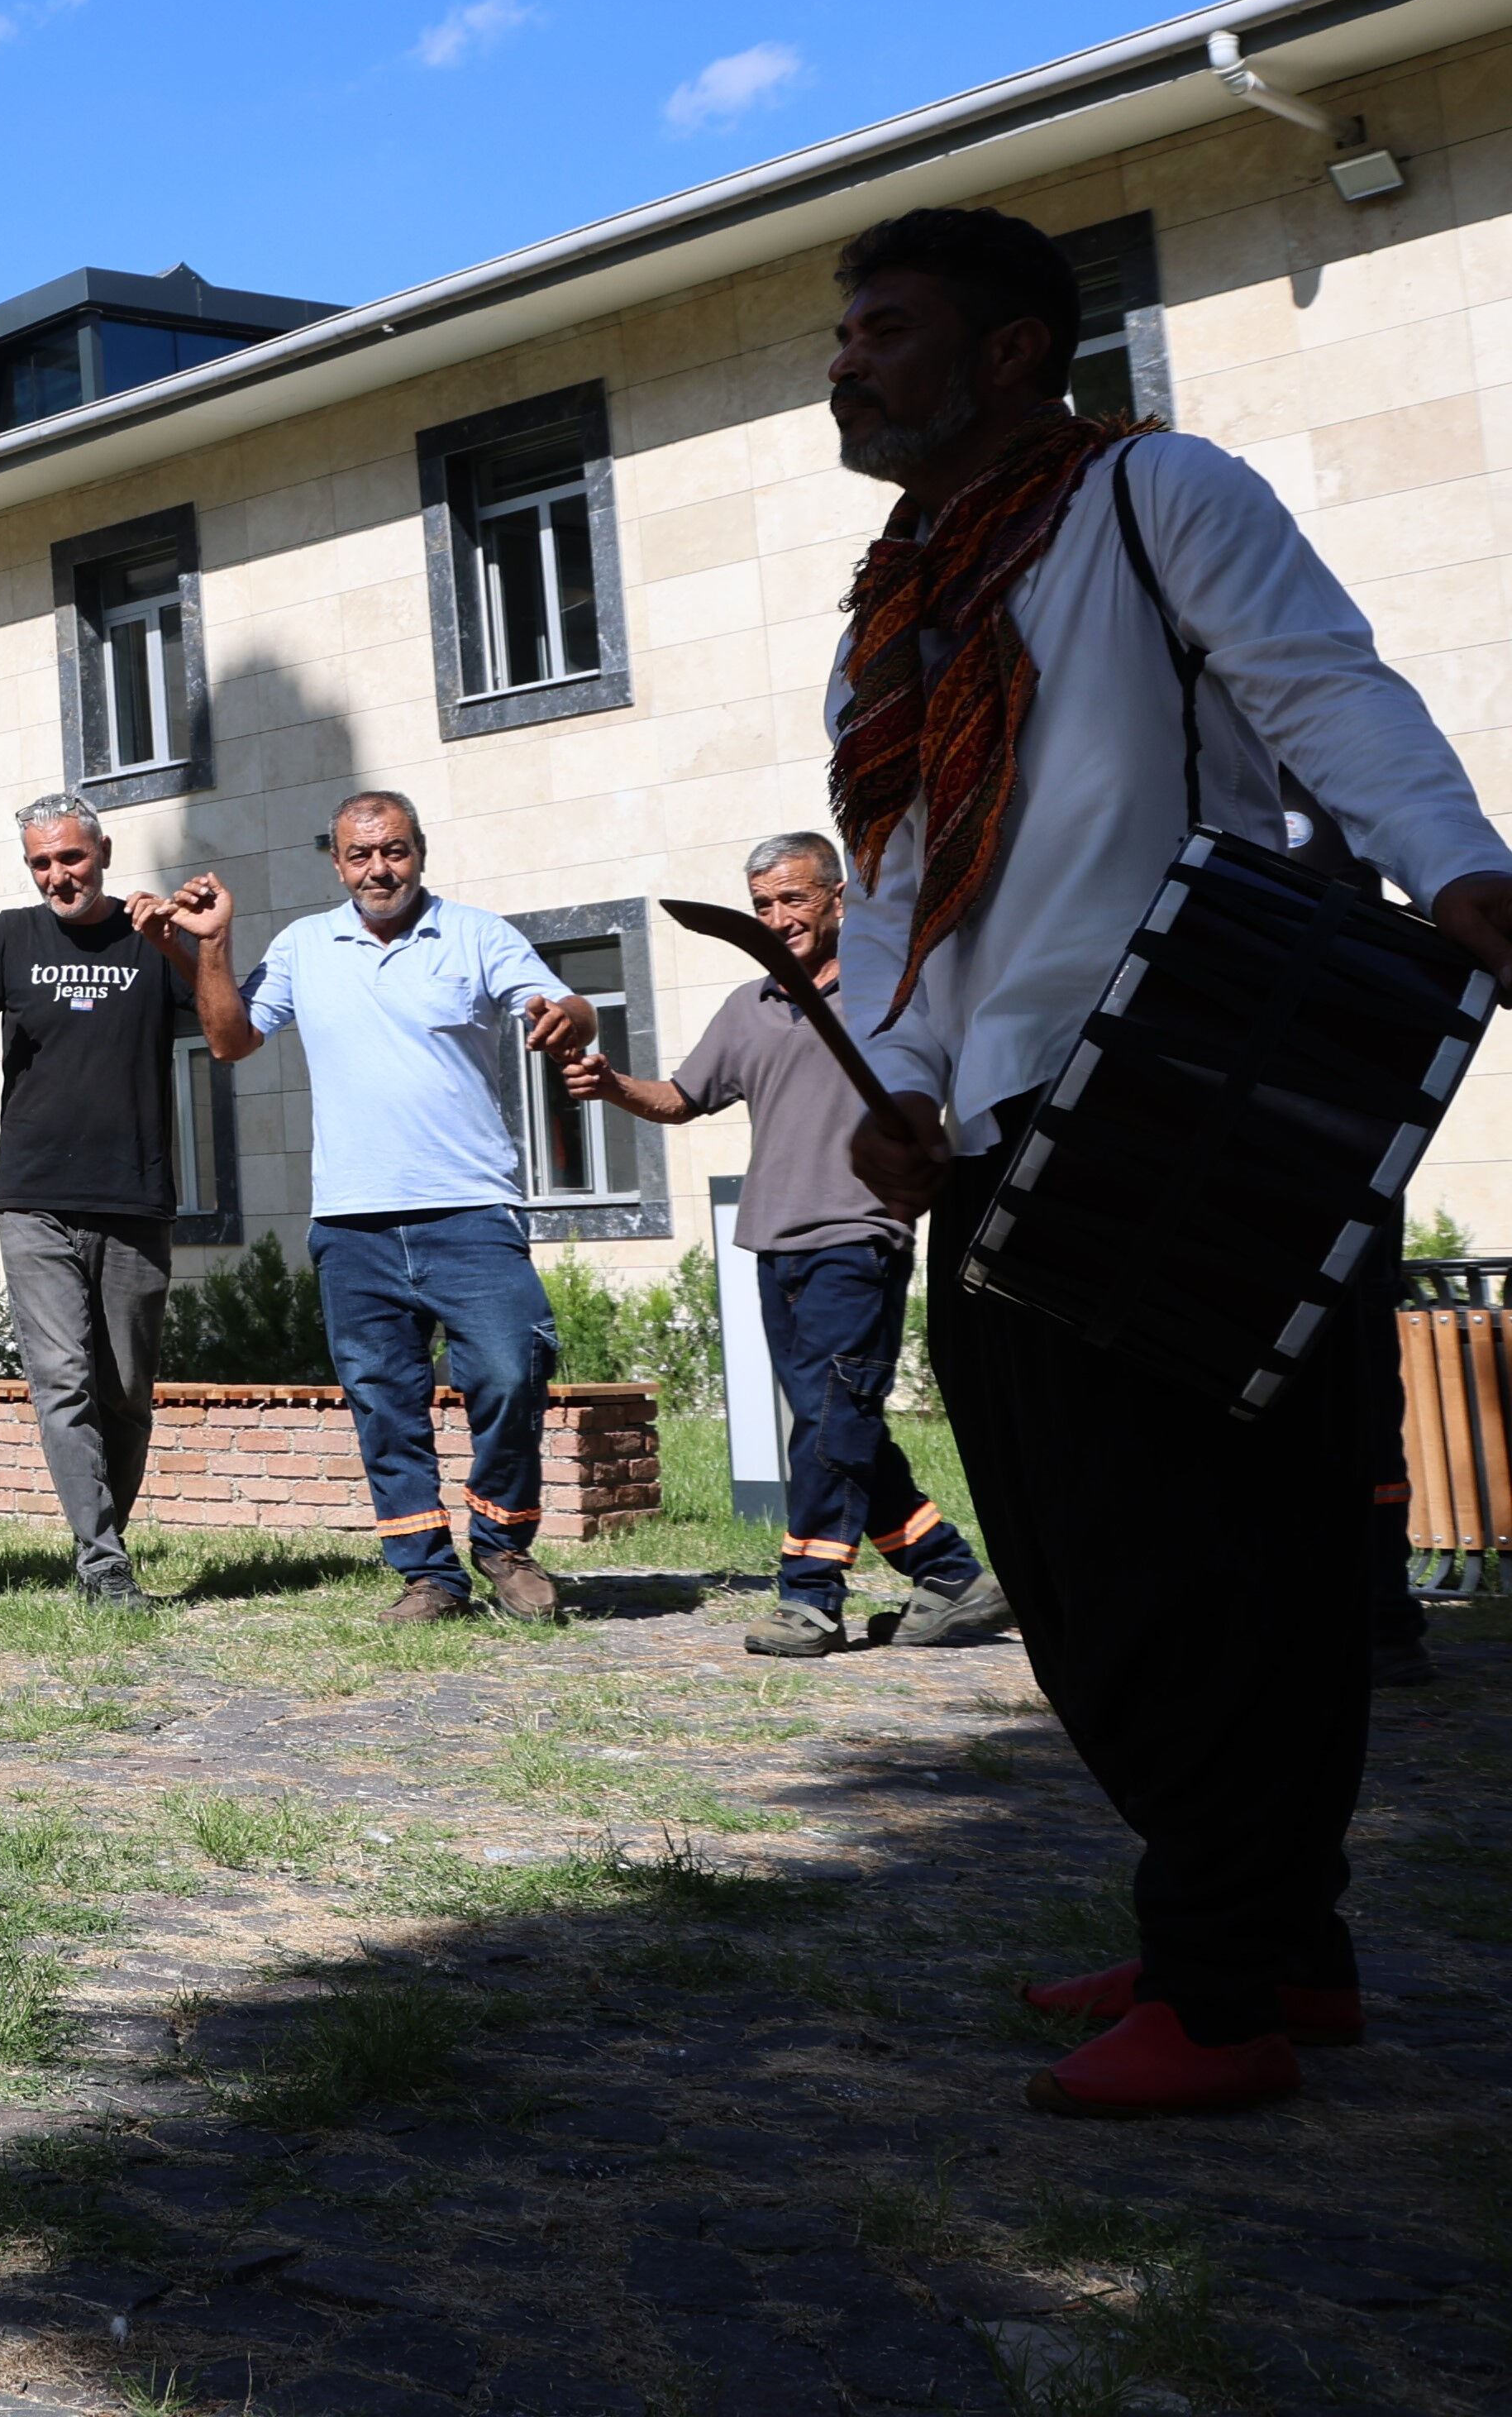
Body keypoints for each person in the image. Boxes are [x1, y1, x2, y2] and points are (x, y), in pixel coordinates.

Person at [818, 202, 1512, 2117]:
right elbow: (886, 893)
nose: (849, 357)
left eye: (888, 326)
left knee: (1183, 1559)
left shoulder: (1154, 495)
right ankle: (1275, 1941)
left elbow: (1320, 683)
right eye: (846, 330)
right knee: (1124, 1554)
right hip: (1006, 1117)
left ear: (1018, 350)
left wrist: (1457, 863)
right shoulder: (892, 614)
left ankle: (1222, 1991)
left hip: (1202, 1085)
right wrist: (896, 1079)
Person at [558, 833, 1008, 1660]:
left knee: (831, 1423)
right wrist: (611, 1083)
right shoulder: (749, 1005)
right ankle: (951, 1575)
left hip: (860, 1237)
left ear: (838, 899)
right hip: (772, 1243)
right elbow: (683, 1096)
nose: (777, 918)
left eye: (792, 900)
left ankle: (810, 1599)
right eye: (763, 905)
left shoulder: (896, 994)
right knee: (838, 1424)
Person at [180, 792, 594, 1626]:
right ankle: (428, 1575)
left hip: (470, 1212)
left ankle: (504, 1545)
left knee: (513, 1371)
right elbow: (229, 1039)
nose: (379, 868)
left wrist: (567, 1017)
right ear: (337, 863)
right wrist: (215, 944)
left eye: (394, 851)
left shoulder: (476, 934)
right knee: (383, 1401)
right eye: (360, 854)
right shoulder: (304, 946)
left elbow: (567, 1004)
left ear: (420, 852)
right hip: (353, 1223)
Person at [0, 795, 211, 1609]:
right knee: (63, 1382)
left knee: (125, 1390)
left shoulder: (149, 934)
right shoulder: (12, 934)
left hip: (134, 1196)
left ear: (104, 852)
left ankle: (102, 1541)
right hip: (35, 1198)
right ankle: (103, 1564)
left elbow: (222, 1012)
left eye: (71, 859)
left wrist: (184, 939)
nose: (58, 875)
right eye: (42, 863)